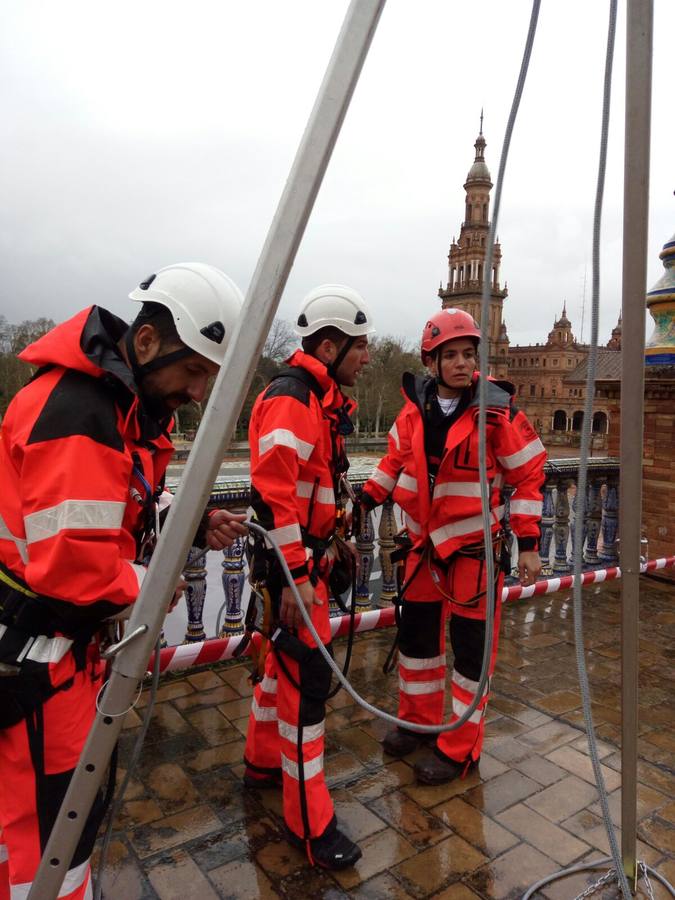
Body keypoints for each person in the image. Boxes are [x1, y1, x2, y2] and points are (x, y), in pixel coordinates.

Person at [0, 262, 248, 900]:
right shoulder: (82, 414)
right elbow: (73, 568)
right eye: (193, 371)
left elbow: (121, 507)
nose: (199, 392)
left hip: (53, 656)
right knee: (50, 840)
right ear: (146, 341)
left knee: (47, 825)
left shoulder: (116, 408)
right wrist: (151, 582)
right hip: (39, 662)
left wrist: (194, 525)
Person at [361, 307, 546, 784]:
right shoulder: (414, 407)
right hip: (422, 546)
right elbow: (395, 459)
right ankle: (419, 722)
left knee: (470, 652)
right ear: (431, 362)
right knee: (418, 642)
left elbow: (528, 475)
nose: (462, 363)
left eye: (468, 354)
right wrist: (366, 498)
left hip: (473, 551)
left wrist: (528, 542)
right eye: (451, 355)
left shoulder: (497, 411)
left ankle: (461, 748)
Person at [243, 284, 373, 870]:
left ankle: (260, 764)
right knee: (306, 695)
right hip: (296, 572)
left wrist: (330, 538)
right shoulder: (295, 400)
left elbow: (302, 490)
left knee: (280, 673)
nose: (367, 357)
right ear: (328, 346)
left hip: (299, 563)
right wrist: (297, 577)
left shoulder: (313, 400)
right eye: (359, 346)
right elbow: (275, 498)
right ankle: (310, 826)